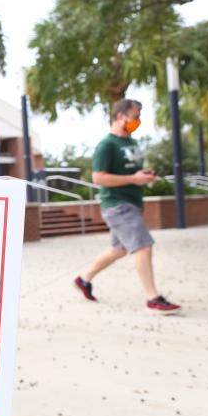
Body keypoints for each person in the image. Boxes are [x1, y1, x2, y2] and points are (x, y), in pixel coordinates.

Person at [73, 98, 181, 314]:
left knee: (118, 249)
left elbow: (131, 173)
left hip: (132, 202)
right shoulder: (107, 145)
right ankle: (153, 299)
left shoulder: (131, 142)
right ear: (121, 116)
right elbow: (98, 178)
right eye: (135, 117)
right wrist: (134, 179)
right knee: (143, 245)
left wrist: (143, 176)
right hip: (117, 205)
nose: (138, 121)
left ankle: (84, 279)